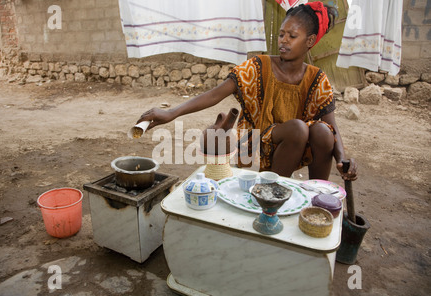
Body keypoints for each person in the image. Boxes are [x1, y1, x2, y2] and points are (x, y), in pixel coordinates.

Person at [136, 2, 358, 181]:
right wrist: (171, 113)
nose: (283, 41)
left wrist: (342, 159)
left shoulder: (317, 79)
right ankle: (270, 190)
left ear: (309, 41)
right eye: (281, 34)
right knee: (299, 129)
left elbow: (332, 127)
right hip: (255, 142)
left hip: (294, 145)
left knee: (322, 132)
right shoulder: (258, 66)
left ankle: (317, 196)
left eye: (292, 36)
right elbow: (215, 94)